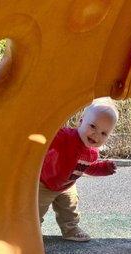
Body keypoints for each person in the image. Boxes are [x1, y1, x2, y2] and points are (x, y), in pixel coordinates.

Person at [39, 98, 119, 241]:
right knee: (36, 209)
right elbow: (48, 137)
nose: (96, 134)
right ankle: (31, 227)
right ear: (81, 121)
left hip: (67, 185)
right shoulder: (64, 136)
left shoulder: (92, 152)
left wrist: (104, 168)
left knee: (70, 209)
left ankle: (70, 229)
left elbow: (88, 168)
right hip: (44, 183)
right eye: (93, 126)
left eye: (103, 133)